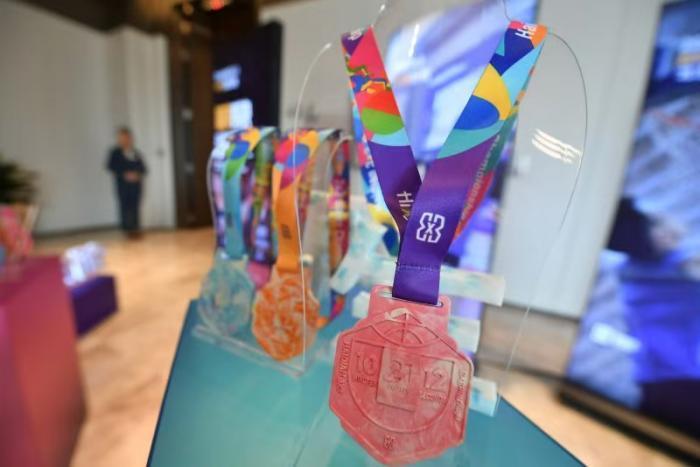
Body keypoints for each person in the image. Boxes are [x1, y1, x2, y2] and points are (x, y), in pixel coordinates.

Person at [106, 127, 147, 237]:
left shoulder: (136, 153)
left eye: (127, 137)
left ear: (131, 138)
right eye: (122, 138)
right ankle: (127, 230)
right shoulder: (115, 153)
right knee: (125, 206)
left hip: (136, 185)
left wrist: (137, 174)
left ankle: (135, 228)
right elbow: (111, 166)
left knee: (135, 206)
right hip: (123, 185)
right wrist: (125, 174)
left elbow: (143, 168)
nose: (125, 140)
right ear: (119, 139)